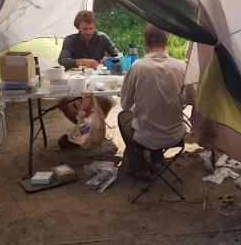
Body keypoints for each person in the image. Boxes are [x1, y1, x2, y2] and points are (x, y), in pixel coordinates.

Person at [118, 24, 195, 176]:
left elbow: (125, 104)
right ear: (167, 42)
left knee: (123, 117)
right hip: (175, 135)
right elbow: (192, 99)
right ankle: (155, 159)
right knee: (156, 115)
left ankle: (140, 165)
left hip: (146, 136)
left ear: (145, 43)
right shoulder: (181, 67)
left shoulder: (138, 67)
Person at [57, 10, 119, 148]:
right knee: (62, 101)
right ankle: (87, 131)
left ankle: (86, 132)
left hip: (98, 81)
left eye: (91, 28)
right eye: (85, 29)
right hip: (76, 82)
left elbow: (117, 56)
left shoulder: (102, 38)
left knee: (108, 101)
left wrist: (107, 60)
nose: (88, 32)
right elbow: (62, 60)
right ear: (78, 27)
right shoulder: (70, 40)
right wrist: (80, 61)